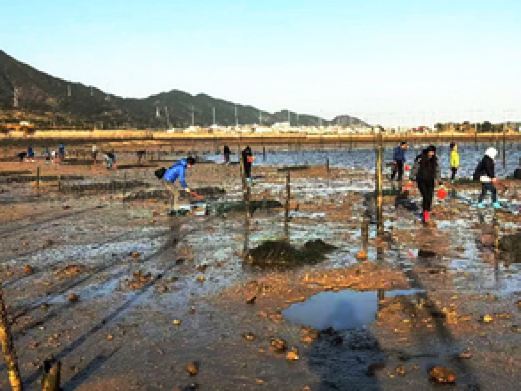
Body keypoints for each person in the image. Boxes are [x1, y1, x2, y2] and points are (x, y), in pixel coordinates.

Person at [411, 145, 440, 224]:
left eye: (433, 152)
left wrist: (439, 180)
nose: (431, 154)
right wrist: (412, 177)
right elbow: (415, 168)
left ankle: (426, 211)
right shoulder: (420, 158)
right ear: (427, 151)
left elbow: (437, 170)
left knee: (430, 197)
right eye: (430, 152)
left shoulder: (435, 160)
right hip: (421, 180)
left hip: (430, 181)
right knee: (425, 196)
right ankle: (425, 214)